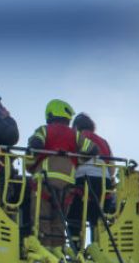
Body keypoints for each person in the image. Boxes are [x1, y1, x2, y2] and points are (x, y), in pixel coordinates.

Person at [26, 99, 98, 247]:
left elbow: (35, 144)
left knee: (41, 217)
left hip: (44, 182)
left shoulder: (44, 130)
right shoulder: (75, 135)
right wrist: (76, 160)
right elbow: (92, 149)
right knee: (59, 220)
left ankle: (44, 248)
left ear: (50, 114)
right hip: (67, 186)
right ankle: (58, 251)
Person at [68, 113, 114, 246]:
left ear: (76, 127)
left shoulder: (77, 138)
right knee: (97, 216)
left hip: (83, 180)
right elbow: (112, 169)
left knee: (73, 212)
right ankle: (97, 245)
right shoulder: (104, 141)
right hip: (104, 183)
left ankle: (76, 245)